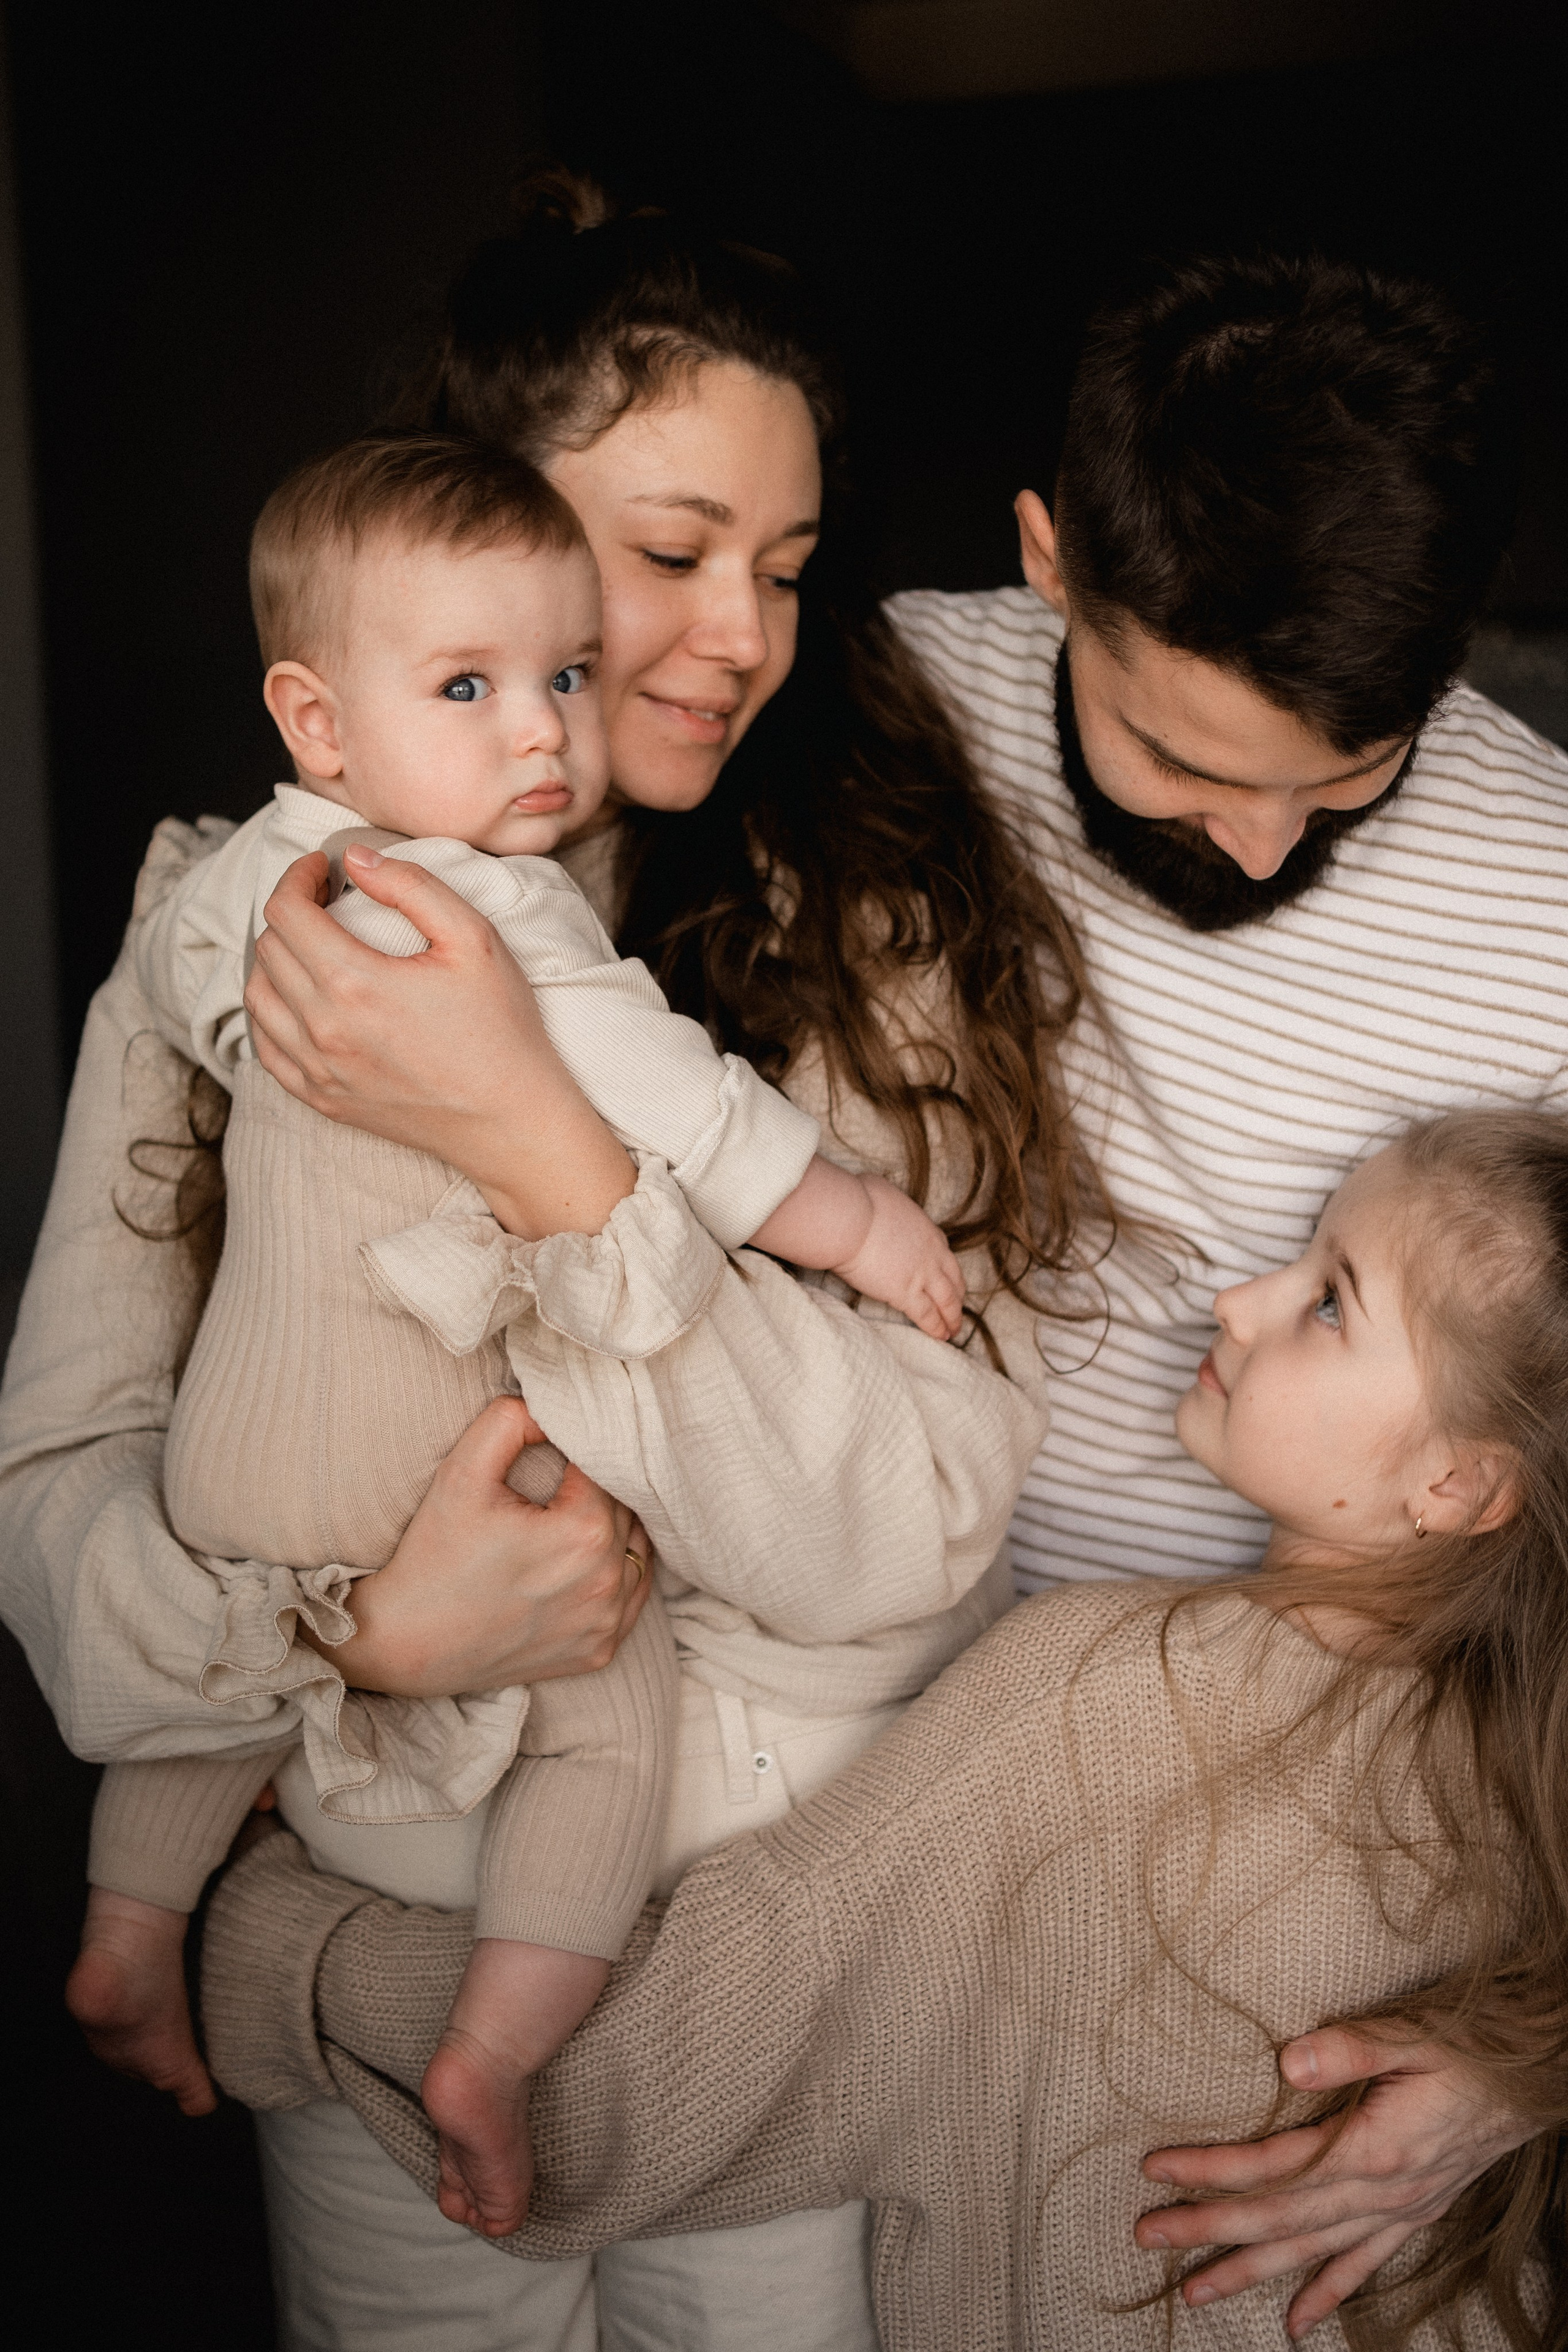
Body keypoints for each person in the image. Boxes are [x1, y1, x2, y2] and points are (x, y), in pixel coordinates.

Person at [200, 246, 1568, 2330]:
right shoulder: (857, 722)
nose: (1267, 845)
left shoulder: (1552, 887)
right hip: (922, 1773)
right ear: (1044, 563)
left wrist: (1529, 2054)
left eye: (1346, 774)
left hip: (1277, 1803)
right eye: (1186, 756)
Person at [0, 175, 1102, 2348]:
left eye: (786, 570)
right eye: (675, 552)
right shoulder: (227, 947)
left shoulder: (872, 919)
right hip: (381, 1969)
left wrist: (540, 1146)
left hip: (754, 1973)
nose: (744, 637)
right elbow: (60, 1517)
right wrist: (345, 1633)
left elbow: (920, 1512)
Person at [204, 1108, 1568, 2348]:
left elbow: (670, 2068)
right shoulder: (1528, 1787)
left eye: (1328, 1300)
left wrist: (271, 1942)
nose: (1237, 1294)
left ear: (1455, 1484)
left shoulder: (1101, 1703)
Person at [78, 422, 965, 2241]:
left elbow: (198, 974)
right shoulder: (498, 906)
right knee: (605, 1714)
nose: (544, 729)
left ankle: (120, 1931)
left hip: (233, 1445)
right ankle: (496, 2045)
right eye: (482, 682)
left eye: (787, 571)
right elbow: (691, 1115)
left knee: (210, 1668)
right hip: (425, 1460)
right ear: (320, 718)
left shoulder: (242, 886)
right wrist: (859, 1220)